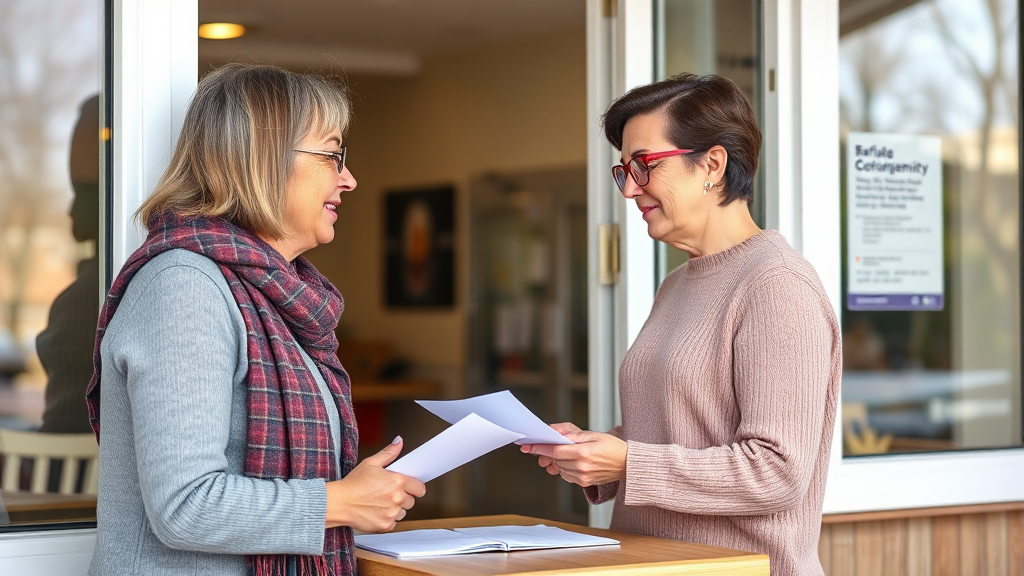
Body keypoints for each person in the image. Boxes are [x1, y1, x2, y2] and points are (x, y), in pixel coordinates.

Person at [85, 64, 425, 576]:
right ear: (263, 161)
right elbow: (184, 506)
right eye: (332, 155)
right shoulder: (183, 286)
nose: (348, 179)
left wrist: (353, 495)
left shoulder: (274, 295)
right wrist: (339, 502)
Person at [521, 73, 841, 576]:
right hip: (653, 565)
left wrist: (628, 461)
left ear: (711, 165)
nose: (629, 189)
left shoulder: (777, 285)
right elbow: (679, 427)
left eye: (644, 166)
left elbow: (778, 471)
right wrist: (592, 451)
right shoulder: (678, 283)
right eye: (623, 171)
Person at [38, 94, 100, 434]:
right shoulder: (90, 293)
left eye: (85, 193)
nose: (69, 211)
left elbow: (60, 431)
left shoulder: (82, 301)